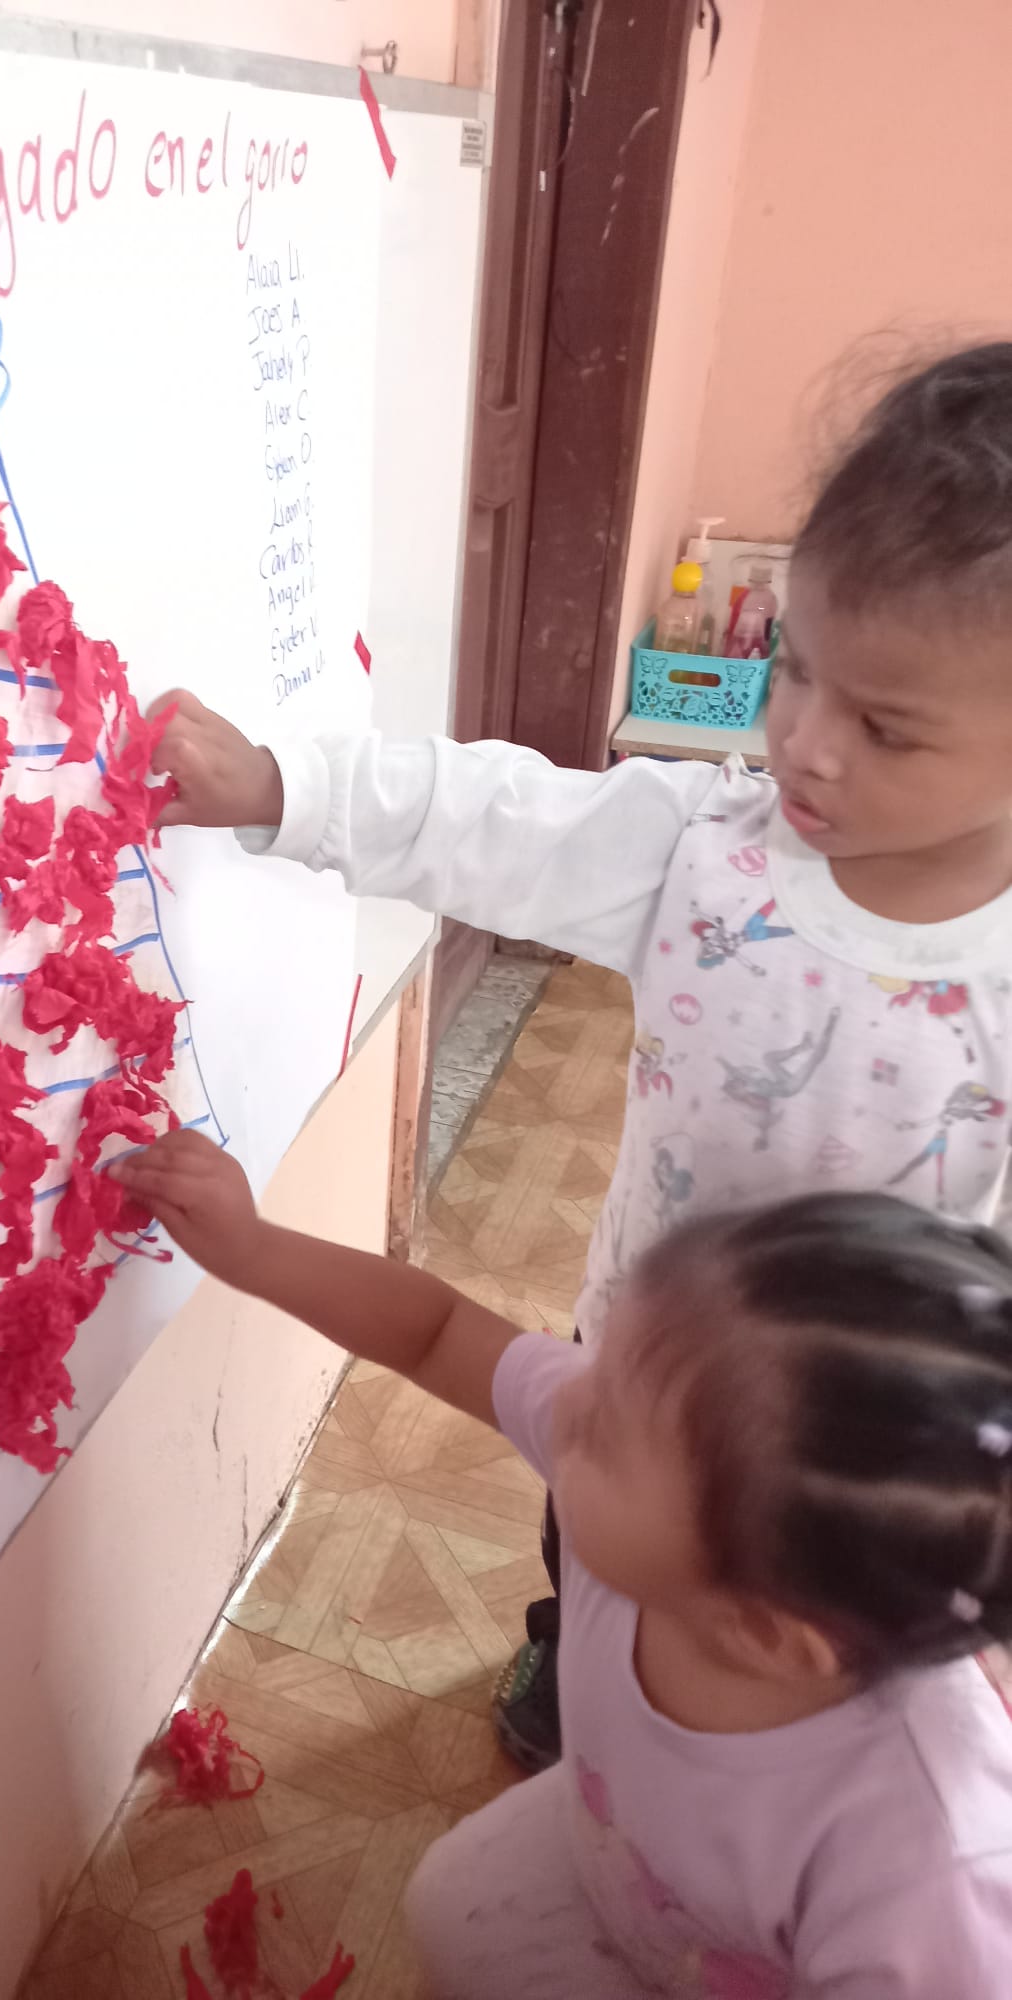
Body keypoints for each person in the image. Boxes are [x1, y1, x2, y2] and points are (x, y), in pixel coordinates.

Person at [145, 344, 1012, 1769]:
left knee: (821, 1692)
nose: (804, 744)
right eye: (794, 669)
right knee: (601, 1541)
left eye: (886, 726)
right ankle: (578, 1655)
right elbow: (495, 819)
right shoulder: (712, 850)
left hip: (872, 1458)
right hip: (643, 1371)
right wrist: (281, 786)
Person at [112, 1137, 1012, 1995]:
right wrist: (250, 1246)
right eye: (602, 1364)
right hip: (620, 1838)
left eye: (604, 1428)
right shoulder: (677, 1501)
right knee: (447, 1906)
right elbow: (438, 1332)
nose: (566, 1399)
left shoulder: (930, 1883)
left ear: (760, 1628)